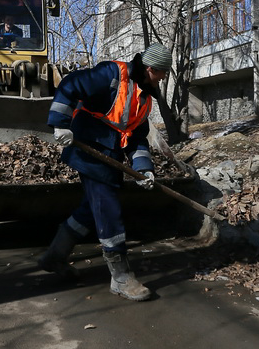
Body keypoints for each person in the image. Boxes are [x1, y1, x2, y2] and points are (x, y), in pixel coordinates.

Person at [37, 43, 172, 301]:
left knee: (91, 210)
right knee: (108, 208)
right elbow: (71, 84)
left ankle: (55, 256)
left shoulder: (144, 99)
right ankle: (121, 277)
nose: (164, 77)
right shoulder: (112, 75)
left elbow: (138, 139)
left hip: (110, 157)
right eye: (162, 72)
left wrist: (144, 169)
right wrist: (60, 124)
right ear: (150, 69)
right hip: (88, 149)